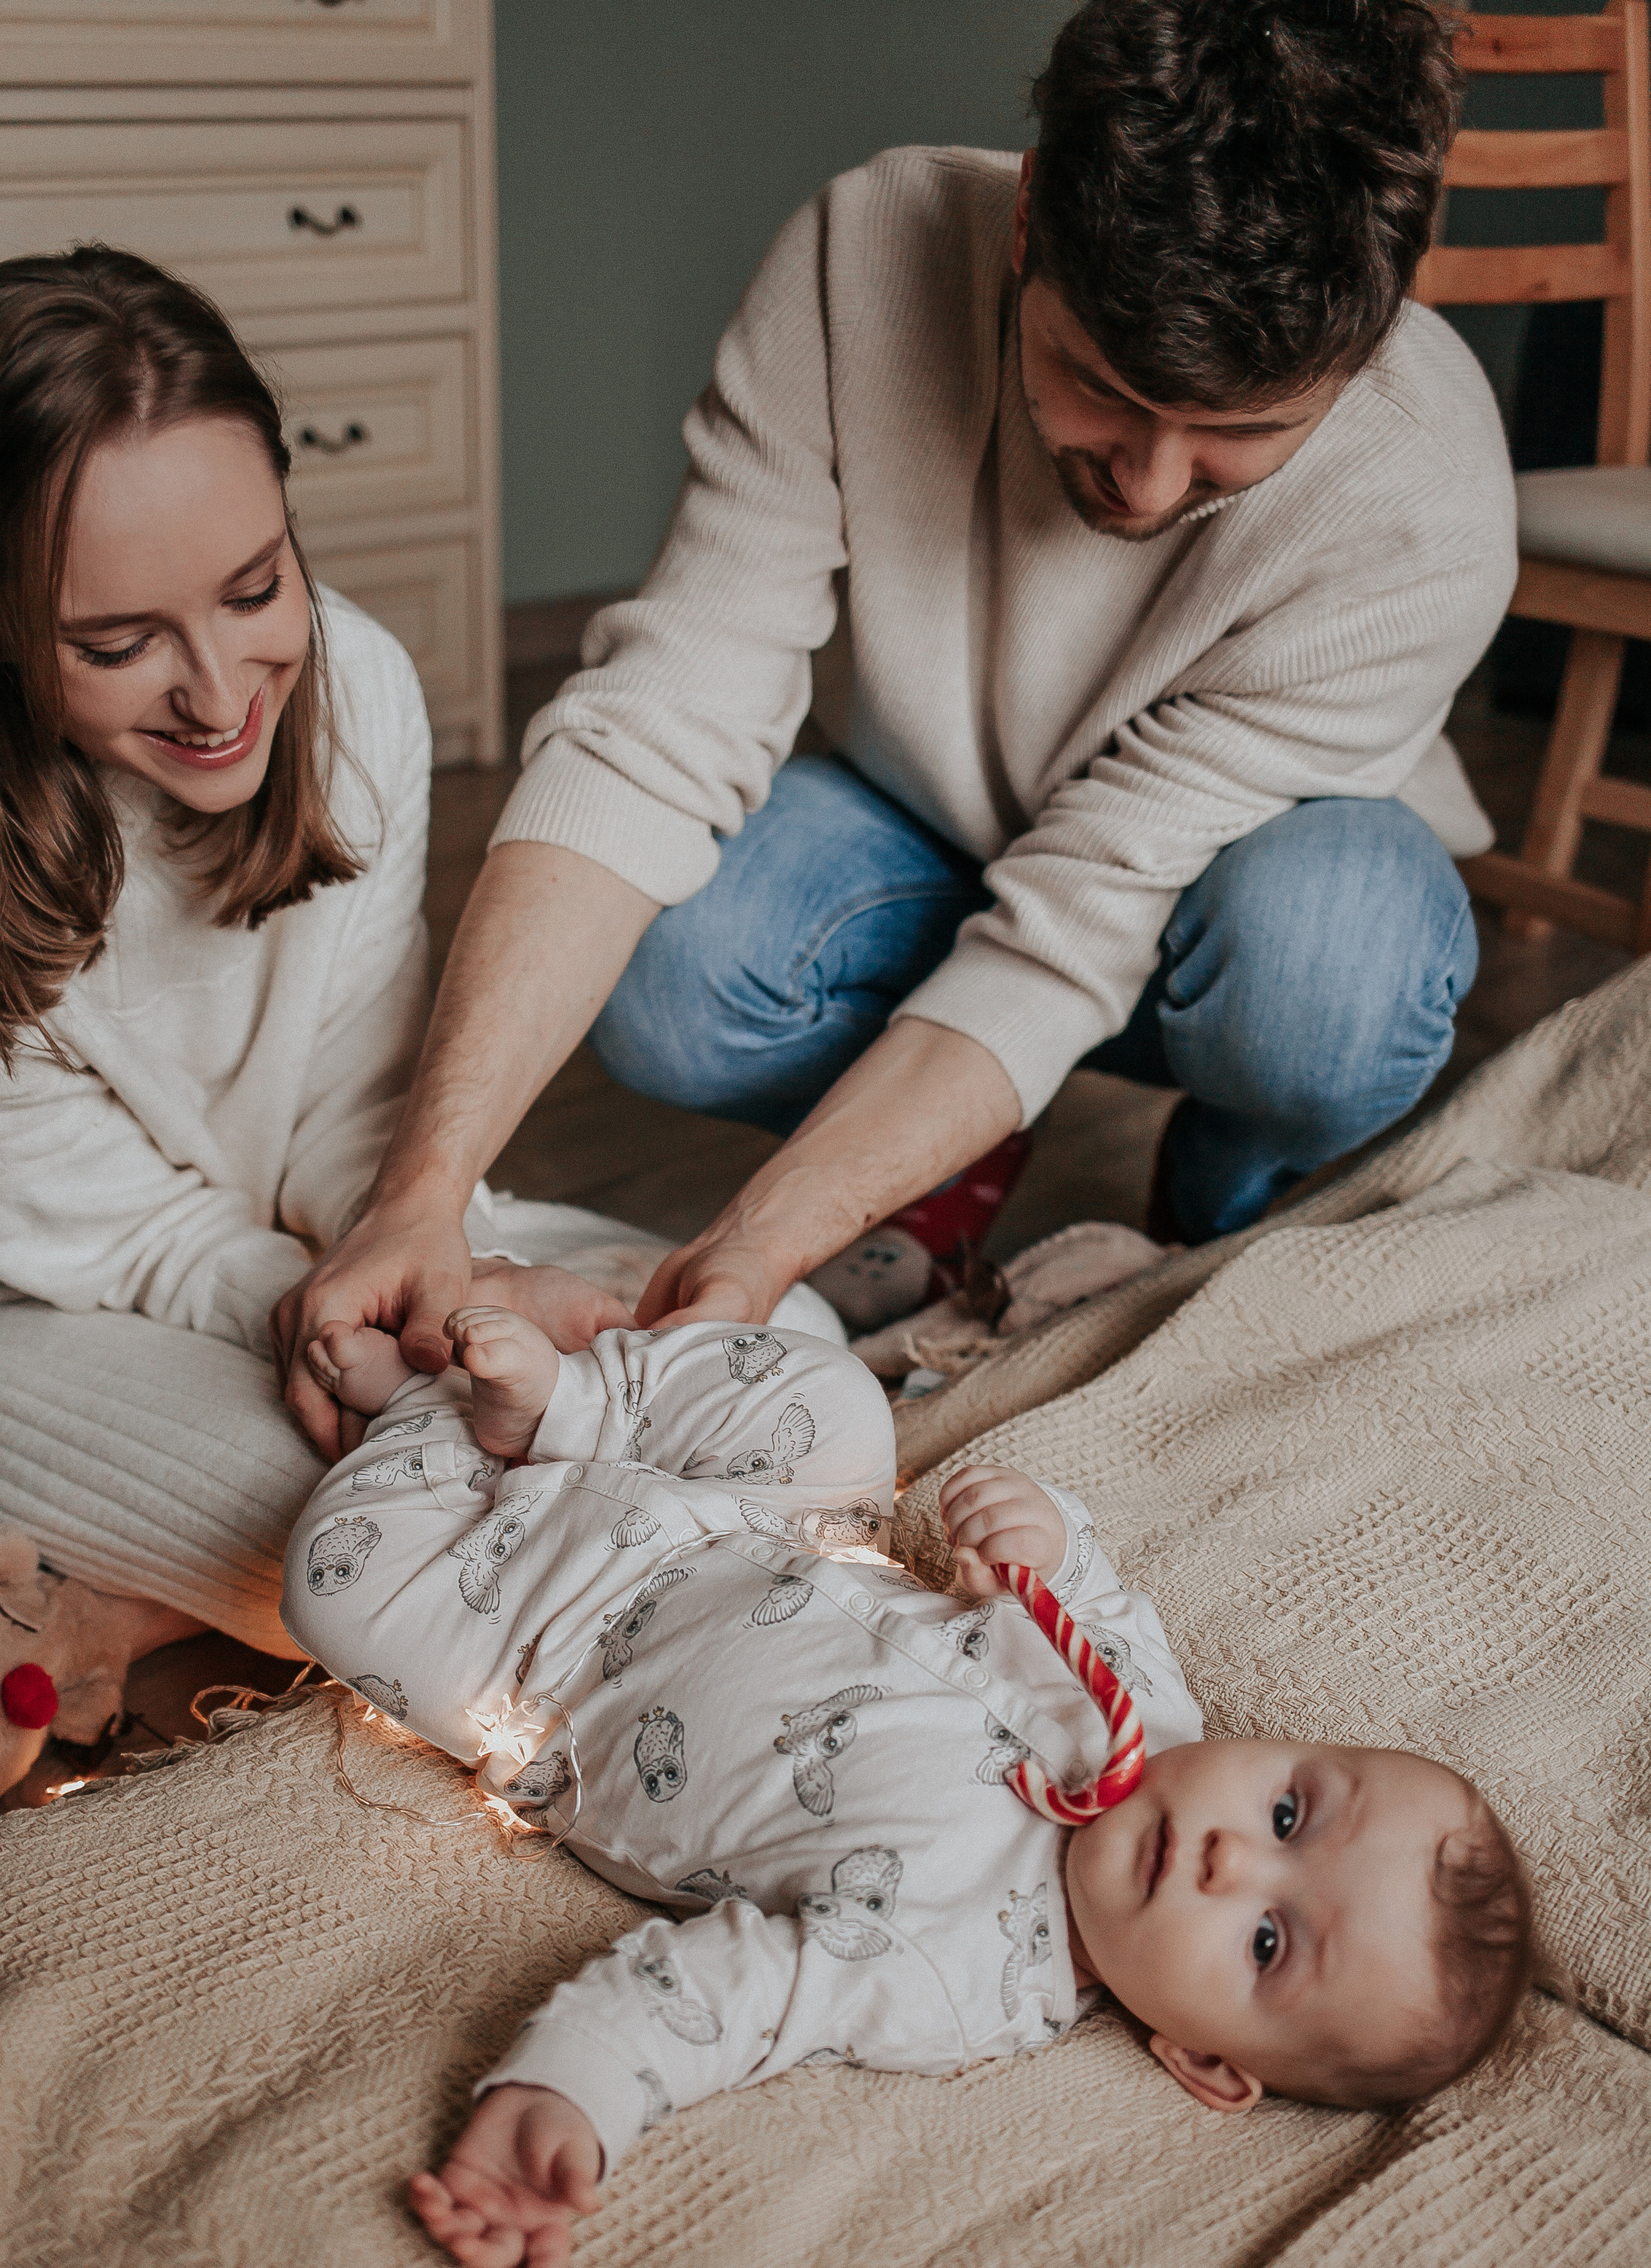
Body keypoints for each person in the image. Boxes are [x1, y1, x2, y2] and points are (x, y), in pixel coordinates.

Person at [274, 0, 1516, 1437]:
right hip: (926, 826)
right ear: (1030, 219)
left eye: (1243, 434)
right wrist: (422, 1194)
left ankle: (1214, 1204)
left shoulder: (1425, 502)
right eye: (1101, 389)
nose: (1151, 484)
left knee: (1333, 982)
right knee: (681, 967)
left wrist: (768, 1232)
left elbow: (1076, 925)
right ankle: (944, 1158)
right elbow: (657, 723)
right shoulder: (864, 250)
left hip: (1241, 902)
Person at [0, 247, 645, 1818]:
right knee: (380, 1520)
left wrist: (438, 1277)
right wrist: (390, 1344)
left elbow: (349, 1120)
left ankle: (94, 1606)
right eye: (117, 643)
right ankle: (91, 1584)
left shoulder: (358, 688)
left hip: (249, 1252)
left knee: (724, 1338)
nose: (216, 692)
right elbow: (121, 1243)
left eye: (254, 590)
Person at [278, 1306, 1535, 2268]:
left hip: (535, 1651)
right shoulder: (1149, 1716)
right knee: (829, 1404)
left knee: (340, 1591)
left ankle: (428, 1423)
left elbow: (735, 2000)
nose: (1228, 1861)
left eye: (1266, 1942)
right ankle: (563, 1406)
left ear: (1204, 2060)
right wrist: (1044, 1537)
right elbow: (1086, 1593)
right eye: (1290, 1818)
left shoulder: (961, 1971)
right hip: (756, 1518)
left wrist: (574, 2098)